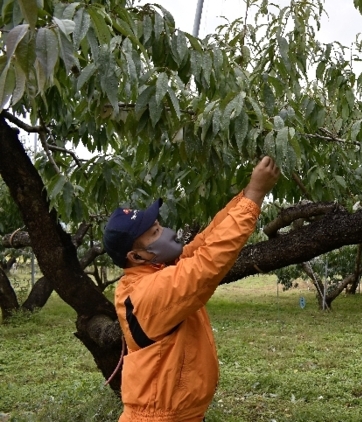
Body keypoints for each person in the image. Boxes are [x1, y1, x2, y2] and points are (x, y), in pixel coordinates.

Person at [103, 156, 280, 422]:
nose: (165, 233)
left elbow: (207, 239)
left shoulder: (159, 271)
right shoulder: (149, 292)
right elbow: (208, 263)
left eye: (158, 225)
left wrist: (246, 195)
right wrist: (255, 194)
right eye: (153, 233)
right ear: (136, 256)